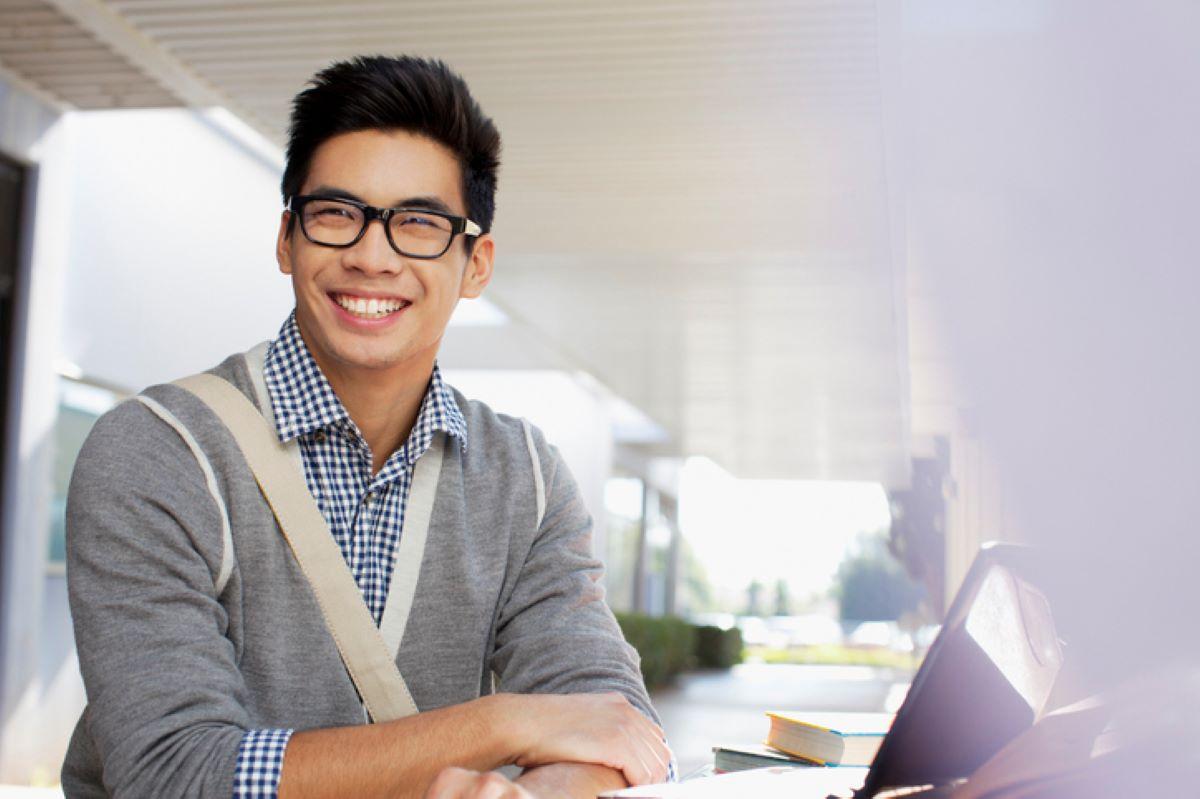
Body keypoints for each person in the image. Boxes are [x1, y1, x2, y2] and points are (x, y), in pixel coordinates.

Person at [61, 55, 672, 798]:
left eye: (417, 222)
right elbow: (173, 774)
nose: (371, 256)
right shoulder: (157, 452)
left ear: (475, 263)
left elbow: (612, 718)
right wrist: (498, 725)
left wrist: (538, 792)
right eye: (336, 213)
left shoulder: (525, 477)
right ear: (287, 237)